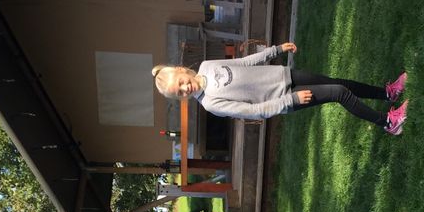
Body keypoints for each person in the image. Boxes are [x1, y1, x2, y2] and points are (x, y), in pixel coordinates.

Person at [151, 42, 409, 135]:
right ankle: (388, 123)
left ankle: (387, 94)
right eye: (180, 93)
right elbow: (254, 111)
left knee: (340, 83)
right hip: (286, 97)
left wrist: (274, 51)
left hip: (284, 75)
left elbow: (244, 62)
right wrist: (290, 101)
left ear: (182, 70)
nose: (185, 88)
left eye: (181, 82)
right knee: (338, 93)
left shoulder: (207, 66)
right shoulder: (210, 103)